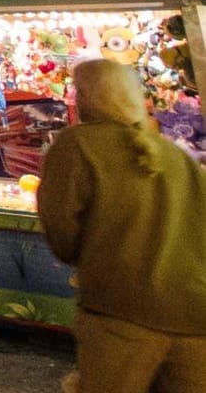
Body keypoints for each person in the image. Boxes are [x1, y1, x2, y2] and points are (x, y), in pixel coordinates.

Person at [38, 59, 206, 392]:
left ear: (86, 96)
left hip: (119, 313)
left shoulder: (76, 145)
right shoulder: (174, 154)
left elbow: (63, 236)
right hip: (195, 313)